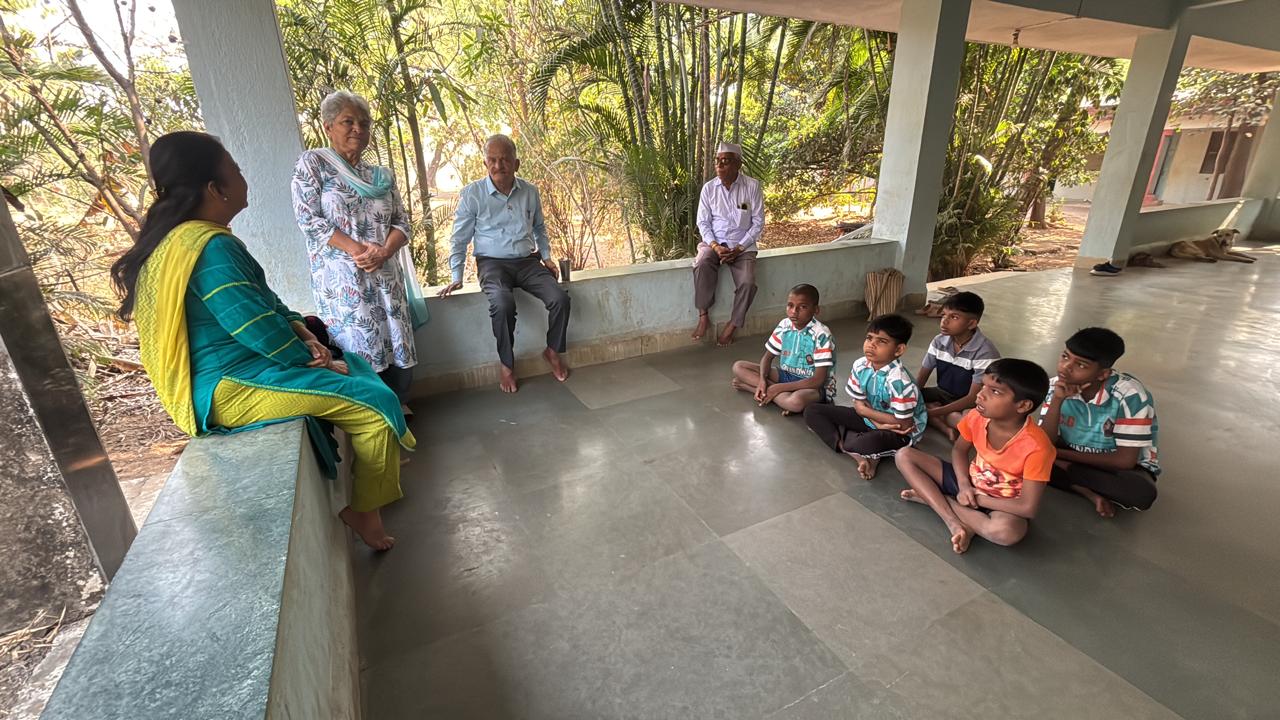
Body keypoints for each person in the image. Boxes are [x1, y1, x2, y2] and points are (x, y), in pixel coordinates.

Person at [114, 131, 414, 551]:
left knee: (361, 371)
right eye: (234, 169)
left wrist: (303, 329)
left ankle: (370, 498)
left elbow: (267, 304)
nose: (243, 177)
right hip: (227, 385)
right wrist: (313, 358)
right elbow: (253, 325)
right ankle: (366, 513)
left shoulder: (194, 239)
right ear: (216, 188)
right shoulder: (208, 247)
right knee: (376, 406)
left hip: (248, 367)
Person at [291, 90, 419, 418]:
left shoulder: (380, 176)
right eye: (348, 121)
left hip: (385, 274)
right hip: (344, 280)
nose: (357, 129)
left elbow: (402, 221)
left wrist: (385, 250)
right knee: (359, 342)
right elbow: (308, 219)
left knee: (394, 337)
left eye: (364, 123)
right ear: (328, 126)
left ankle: (397, 402)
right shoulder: (314, 164)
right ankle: (373, 412)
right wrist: (359, 250)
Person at [438, 134, 570, 393]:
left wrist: (546, 257)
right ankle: (507, 364)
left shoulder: (530, 192)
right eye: (493, 160)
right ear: (485, 163)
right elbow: (459, 238)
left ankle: (552, 350)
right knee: (502, 303)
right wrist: (456, 275)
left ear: (516, 163)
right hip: (492, 264)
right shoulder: (472, 194)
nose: (499, 165)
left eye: (505, 159)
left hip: (527, 262)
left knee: (560, 298)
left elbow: (540, 228)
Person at [896, 359, 1055, 554]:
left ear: (1022, 405)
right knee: (905, 455)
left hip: (1002, 504)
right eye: (984, 386)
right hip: (968, 483)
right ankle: (953, 521)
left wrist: (977, 500)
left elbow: (1027, 508)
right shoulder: (976, 417)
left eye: (995, 391)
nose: (980, 395)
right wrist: (964, 485)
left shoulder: (1037, 447)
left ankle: (934, 499)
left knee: (1006, 533)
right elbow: (959, 450)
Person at [1039, 327, 1159, 517]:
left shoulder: (1130, 395)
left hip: (1112, 463)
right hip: (1072, 451)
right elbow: (1044, 441)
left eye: (1081, 365)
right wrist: (1057, 400)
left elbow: (1124, 461)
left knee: (1140, 492)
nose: (1065, 367)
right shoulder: (1056, 385)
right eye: (1065, 356)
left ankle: (1064, 471)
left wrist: (1054, 455)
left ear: (1102, 374)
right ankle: (1088, 492)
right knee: (1026, 456)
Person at [803, 314, 926, 480]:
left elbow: (904, 423)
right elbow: (858, 401)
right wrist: (871, 419)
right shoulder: (860, 365)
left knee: (865, 443)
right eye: (869, 338)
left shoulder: (900, 381)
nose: (871, 345)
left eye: (881, 341)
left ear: (899, 350)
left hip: (900, 431)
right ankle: (860, 456)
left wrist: (862, 411)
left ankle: (855, 445)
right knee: (812, 411)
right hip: (874, 418)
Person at [691, 142, 765, 346]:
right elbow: (703, 222)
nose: (720, 166)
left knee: (748, 283)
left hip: (743, 246)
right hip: (714, 242)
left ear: (738, 164)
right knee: (702, 262)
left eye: (726, 161)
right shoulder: (709, 189)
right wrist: (715, 246)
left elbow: (758, 222)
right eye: (718, 161)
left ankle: (732, 325)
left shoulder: (752, 186)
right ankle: (703, 315)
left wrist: (740, 247)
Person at [730, 284, 835, 415]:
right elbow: (767, 358)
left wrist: (779, 387)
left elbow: (818, 380)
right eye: (790, 305)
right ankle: (769, 391)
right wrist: (762, 380)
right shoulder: (784, 325)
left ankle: (752, 388)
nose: (794, 312)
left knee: (796, 402)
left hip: (812, 386)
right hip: (786, 375)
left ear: (816, 310)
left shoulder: (821, 335)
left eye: (802, 307)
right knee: (739, 366)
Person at [915, 291, 1000, 440]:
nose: (944, 321)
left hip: (970, 402)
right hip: (942, 392)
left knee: (967, 418)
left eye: (954, 317)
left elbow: (972, 397)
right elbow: (921, 377)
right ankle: (945, 427)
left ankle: (942, 415)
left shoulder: (985, 352)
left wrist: (933, 412)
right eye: (943, 315)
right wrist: (910, 398)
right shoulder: (939, 341)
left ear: (972, 323)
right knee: (905, 399)